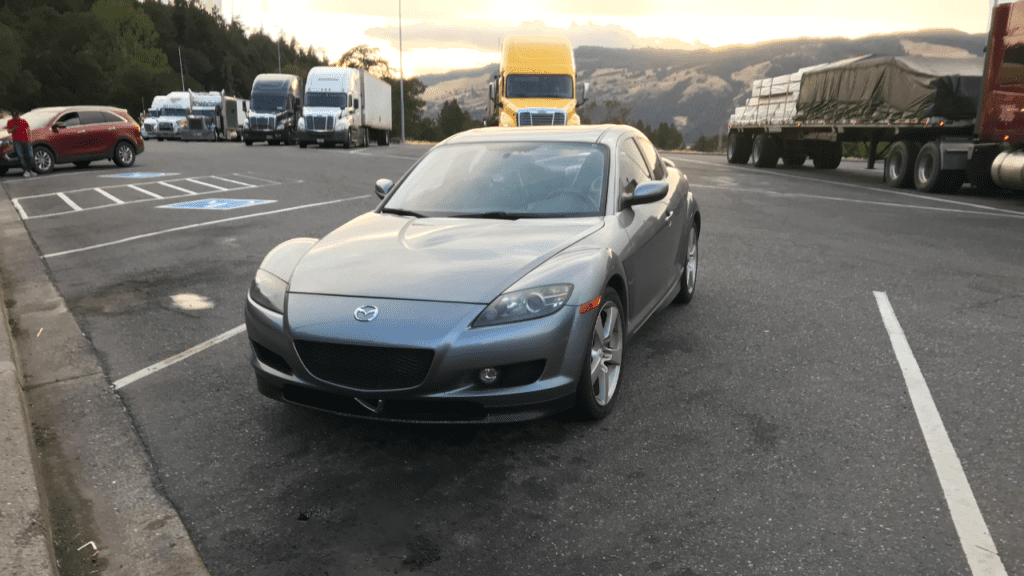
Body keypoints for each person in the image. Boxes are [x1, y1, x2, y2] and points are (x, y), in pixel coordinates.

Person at [5, 111, 35, 177]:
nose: (15, 117)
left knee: (28, 156)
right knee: (21, 156)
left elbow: (28, 129)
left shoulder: (23, 121)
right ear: (12, 116)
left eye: (16, 116)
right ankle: (26, 171)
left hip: (25, 140)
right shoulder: (10, 122)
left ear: (18, 115)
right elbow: (9, 131)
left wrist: (30, 138)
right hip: (17, 141)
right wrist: (14, 129)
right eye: (14, 116)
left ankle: (30, 170)